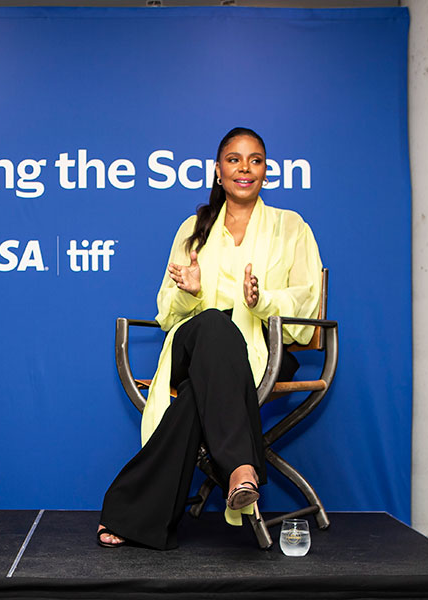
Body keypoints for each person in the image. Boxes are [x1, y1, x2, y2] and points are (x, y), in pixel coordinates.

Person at [97, 127, 323, 550]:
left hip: (263, 348)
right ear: (218, 171)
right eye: (234, 160)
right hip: (193, 342)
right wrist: (191, 293)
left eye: (255, 160)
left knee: (199, 396)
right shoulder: (193, 229)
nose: (245, 169)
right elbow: (166, 312)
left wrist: (262, 300)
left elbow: (306, 300)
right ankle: (240, 468)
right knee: (217, 326)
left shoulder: (291, 227)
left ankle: (130, 513)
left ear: (265, 171)